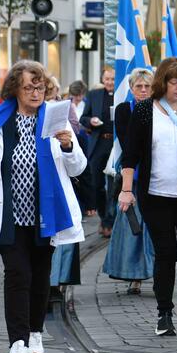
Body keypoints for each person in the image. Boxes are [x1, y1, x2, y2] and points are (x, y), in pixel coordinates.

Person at [0, 60, 85, 353]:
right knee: (18, 274)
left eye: (40, 86)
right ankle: (17, 343)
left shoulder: (57, 119)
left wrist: (68, 146)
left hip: (46, 214)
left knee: (41, 275)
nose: (35, 92)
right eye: (29, 86)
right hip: (9, 217)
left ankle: (34, 331)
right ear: (15, 88)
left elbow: (78, 168)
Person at [118, 57, 177, 336]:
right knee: (166, 254)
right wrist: (127, 190)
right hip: (157, 194)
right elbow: (131, 154)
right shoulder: (146, 111)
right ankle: (164, 312)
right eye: (173, 81)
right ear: (163, 82)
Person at [102, 68, 156, 295]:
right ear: (132, 89)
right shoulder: (124, 109)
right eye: (138, 87)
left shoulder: (159, 109)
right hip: (131, 172)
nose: (143, 91)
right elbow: (127, 140)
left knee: (155, 225)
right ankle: (133, 274)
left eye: (147, 87)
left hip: (155, 173)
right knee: (131, 224)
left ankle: (156, 271)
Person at [47, 77, 84, 292]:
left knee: (59, 242)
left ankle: (53, 287)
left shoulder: (62, 118)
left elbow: (78, 167)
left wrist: (68, 146)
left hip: (57, 194)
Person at [80, 67, 116, 236]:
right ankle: (104, 217)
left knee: (114, 186)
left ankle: (110, 220)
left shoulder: (123, 93)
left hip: (116, 145)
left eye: (113, 79)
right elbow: (83, 118)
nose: (109, 82)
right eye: (107, 79)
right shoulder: (94, 95)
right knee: (96, 184)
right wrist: (91, 121)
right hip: (99, 143)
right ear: (102, 79)